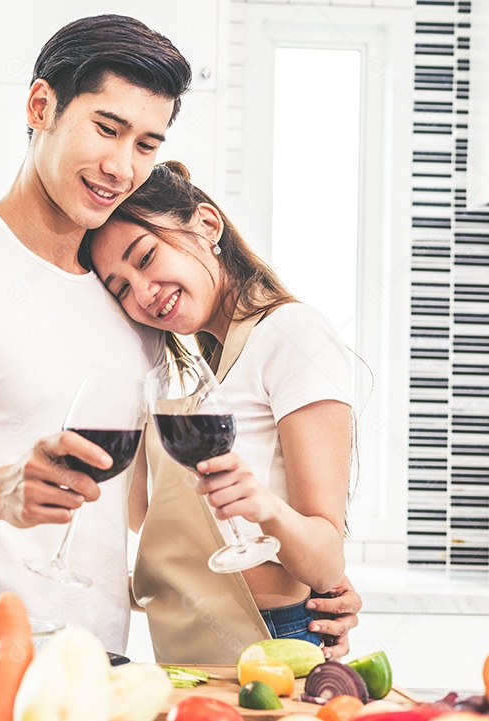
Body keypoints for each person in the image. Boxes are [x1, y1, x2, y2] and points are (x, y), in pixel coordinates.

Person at [0, 14, 362, 657]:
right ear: (41, 105)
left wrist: (306, 586)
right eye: (106, 128)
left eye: (146, 144)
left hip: (98, 663)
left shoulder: (135, 311)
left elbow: (147, 516)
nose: (121, 165)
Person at [83, 160, 360, 662]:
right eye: (120, 288)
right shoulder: (196, 372)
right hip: (190, 640)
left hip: (270, 639)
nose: (142, 293)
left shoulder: (291, 334)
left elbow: (325, 561)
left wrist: (261, 504)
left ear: (207, 225)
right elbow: (149, 524)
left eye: (145, 257)